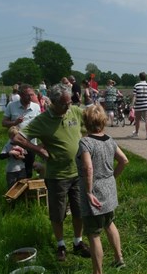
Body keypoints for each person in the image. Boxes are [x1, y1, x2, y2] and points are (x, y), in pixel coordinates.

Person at [12, 83, 91, 262]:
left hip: (77, 173)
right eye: (64, 104)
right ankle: (61, 245)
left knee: (79, 211)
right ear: (53, 102)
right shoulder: (42, 120)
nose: (68, 106)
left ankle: (78, 243)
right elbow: (16, 137)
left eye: (70, 102)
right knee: (58, 213)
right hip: (57, 176)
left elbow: (90, 125)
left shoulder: (75, 112)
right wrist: (38, 150)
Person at [77, 104, 129, 274]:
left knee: (93, 233)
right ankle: (119, 259)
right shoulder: (109, 140)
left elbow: (88, 167)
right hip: (109, 190)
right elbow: (124, 160)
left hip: (95, 192)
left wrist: (89, 191)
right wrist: (112, 177)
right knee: (109, 223)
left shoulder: (86, 142)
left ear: (86, 122)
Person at [2, 84, 41, 178]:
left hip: (31, 144)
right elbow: (4, 123)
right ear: (20, 94)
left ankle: (27, 190)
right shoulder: (12, 106)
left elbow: (40, 125)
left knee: (28, 169)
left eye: (32, 95)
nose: (30, 97)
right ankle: (14, 188)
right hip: (16, 144)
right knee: (16, 169)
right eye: (27, 95)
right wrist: (15, 122)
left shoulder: (36, 107)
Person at [131, 72, 147, 140]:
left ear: (139, 77)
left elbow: (134, 96)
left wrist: (132, 104)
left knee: (137, 119)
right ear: (145, 77)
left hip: (139, 105)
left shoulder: (136, 85)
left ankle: (137, 132)